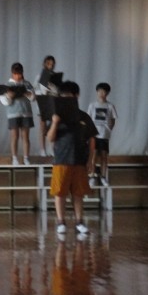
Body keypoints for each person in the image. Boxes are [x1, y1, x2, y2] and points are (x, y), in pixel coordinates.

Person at [47, 80, 97, 235]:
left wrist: (91, 160)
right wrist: (55, 123)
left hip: (80, 159)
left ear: (76, 96)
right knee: (60, 192)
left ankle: (79, 222)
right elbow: (50, 138)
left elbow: (92, 139)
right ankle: (61, 222)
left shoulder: (84, 116)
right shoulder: (56, 116)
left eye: (69, 96)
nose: (66, 99)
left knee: (78, 193)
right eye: (63, 97)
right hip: (61, 160)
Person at [0, 62, 35, 165]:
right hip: (13, 113)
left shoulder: (27, 84)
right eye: (15, 74)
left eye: (19, 73)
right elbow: (4, 101)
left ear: (22, 73)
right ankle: (14, 158)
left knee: (25, 137)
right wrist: (9, 96)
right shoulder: (7, 85)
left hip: (26, 113)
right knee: (14, 136)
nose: (18, 76)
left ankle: (26, 158)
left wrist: (28, 94)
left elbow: (33, 98)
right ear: (12, 73)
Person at [87, 83, 118, 187]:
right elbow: (88, 118)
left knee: (104, 156)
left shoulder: (110, 106)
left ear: (107, 93)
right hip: (94, 135)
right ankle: (92, 176)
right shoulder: (92, 105)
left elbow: (113, 120)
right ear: (97, 92)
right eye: (99, 91)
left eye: (104, 91)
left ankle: (103, 177)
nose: (101, 93)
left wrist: (109, 130)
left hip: (104, 135)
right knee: (93, 155)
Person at [34, 55, 57, 157]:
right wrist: (43, 91)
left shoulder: (55, 76)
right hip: (42, 102)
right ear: (44, 64)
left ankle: (52, 148)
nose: (50, 66)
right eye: (48, 64)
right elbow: (35, 90)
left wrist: (52, 89)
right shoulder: (39, 76)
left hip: (52, 102)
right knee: (43, 127)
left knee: (53, 125)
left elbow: (57, 90)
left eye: (52, 64)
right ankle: (42, 150)